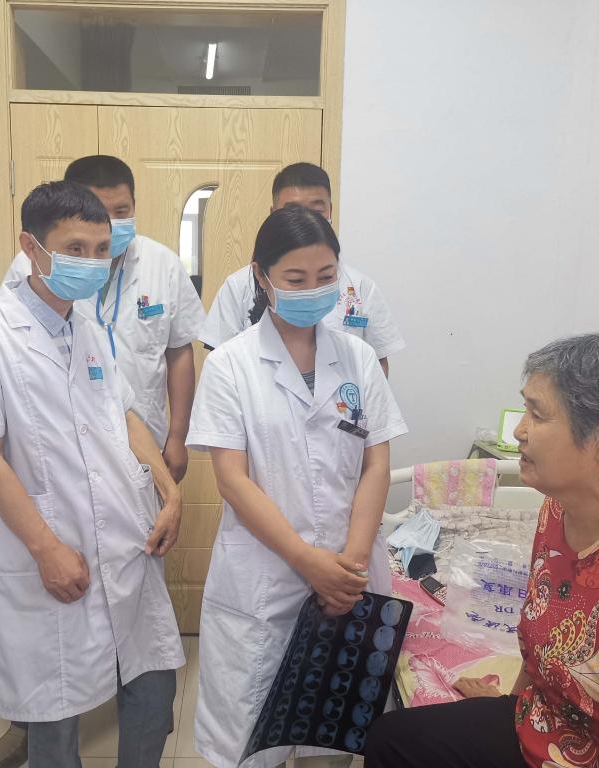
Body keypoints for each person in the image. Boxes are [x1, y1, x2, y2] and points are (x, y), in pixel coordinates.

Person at [365, 335, 599, 768]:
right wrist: (511, 704)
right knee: (390, 740)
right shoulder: (558, 510)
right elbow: (543, 632)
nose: (519, 431)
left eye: (538, 414)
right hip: (552, 725)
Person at [0, 180, 185, 768]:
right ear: (31, 246)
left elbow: (124, 414)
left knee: (153, 690)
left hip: (127, 543)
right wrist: (46, 548)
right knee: (54, 714)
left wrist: (169, 492)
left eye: (101, 249)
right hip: (50, 548)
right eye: (75, 248)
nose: (92, 262)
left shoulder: (88, 328)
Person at [186, 205, 408, 768]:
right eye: (296, 278)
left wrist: (350, 564)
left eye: (325, 276)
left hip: (349, 575)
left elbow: (376, 464)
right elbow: (232, 479)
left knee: (329, 740)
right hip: (265, 576)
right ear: (261, 277)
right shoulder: (230, 365)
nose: (313, 290)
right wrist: (308, 561)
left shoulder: (358, 358)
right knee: (251, 743)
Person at [4, 155, 205, 483]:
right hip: (62, 446)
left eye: (121, 211)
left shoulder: (162, 264)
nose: (110, 222)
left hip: (145, 440)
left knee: (155, 515)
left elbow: (179, 349)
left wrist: (178, 436)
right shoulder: (35, 265)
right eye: (99, 209)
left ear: (135, 205)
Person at [199, 162, 405, 375]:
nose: (306, 220)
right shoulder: (239, 285)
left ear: (330, 211)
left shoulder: (360, 286)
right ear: (273, 213)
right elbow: (221, 362)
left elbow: (377, 361)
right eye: (295, 280)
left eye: (317, 211)